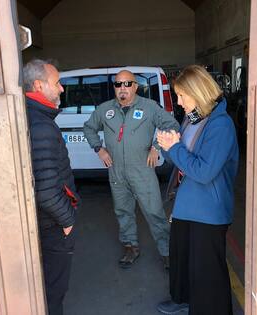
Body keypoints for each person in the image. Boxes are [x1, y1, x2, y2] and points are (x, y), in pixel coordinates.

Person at [156, 65, 238, 315]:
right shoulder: (193, 118)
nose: (178, 102)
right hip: (187, 205)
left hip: (208, 210)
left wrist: (174, 149)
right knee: (183, 261)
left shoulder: (220, 125)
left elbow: (203, 172)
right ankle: (184, 300)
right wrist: (165, 146)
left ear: (198, 92)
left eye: (182, 95)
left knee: (207, 271)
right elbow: (180, 158)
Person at [83, 70, 179, 269]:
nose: (122, 88)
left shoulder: (149, 107)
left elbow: (172, 124)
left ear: (135, 86)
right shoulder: (104, 109)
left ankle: (168, 252)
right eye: (118, 84)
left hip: (142, 170)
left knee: (154, 212)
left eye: (127, 84)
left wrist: (156, 146)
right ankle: (130, 247)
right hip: (117, 171)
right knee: (123, 211)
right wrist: (99, 149)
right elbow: (88, 128)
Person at [23, 59, 80, 315]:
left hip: (47, 222)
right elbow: (45, 191)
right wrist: (67, 220)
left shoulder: (35, 116)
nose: (61, 89)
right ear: (38, 85)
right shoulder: (41, 126)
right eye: (56, 83)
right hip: (53, 225)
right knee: (53, 292)